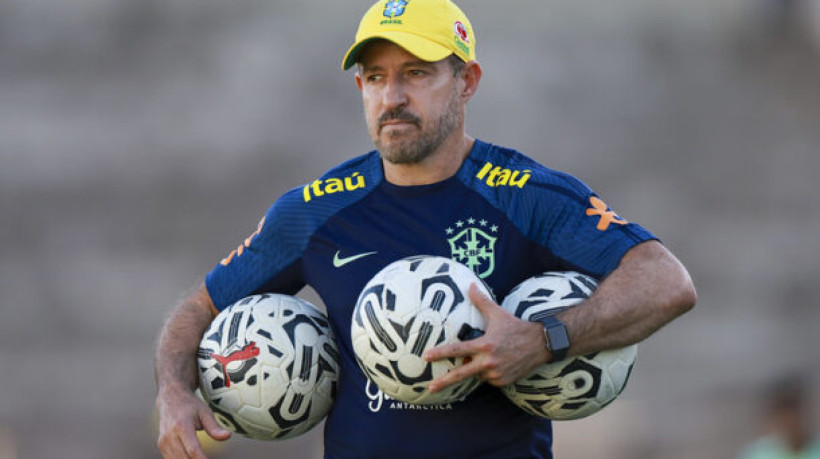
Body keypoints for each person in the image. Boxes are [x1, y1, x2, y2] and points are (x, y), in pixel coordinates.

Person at [154, 0, 697, 457]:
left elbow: (666, 282)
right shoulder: (314, 211)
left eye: (416, 73)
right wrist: (174, 392)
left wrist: (543, 340)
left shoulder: (527, 196)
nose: (392, 97)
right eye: (375, 77)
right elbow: (200, 306)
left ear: (467, 82)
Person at [738, 376, 820, 459]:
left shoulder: (816, 451)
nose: (789, 423)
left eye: (793, 415)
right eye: (783, 417)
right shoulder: (757, 454)